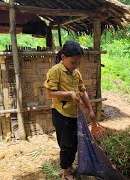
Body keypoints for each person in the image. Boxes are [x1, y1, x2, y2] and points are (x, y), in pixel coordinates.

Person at [44, 41, 97, 180]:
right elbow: (49, 94)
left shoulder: (76, 73)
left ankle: (68, 166)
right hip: (61, 114)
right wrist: (69, 94)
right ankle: (65, 172)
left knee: (75, 142)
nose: (76, 65)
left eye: (78, 62)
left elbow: (83, 91)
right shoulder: (55, 71)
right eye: (73, 62)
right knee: (66, 144)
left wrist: (90, 110)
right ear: (63, 57)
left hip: (74, 114)